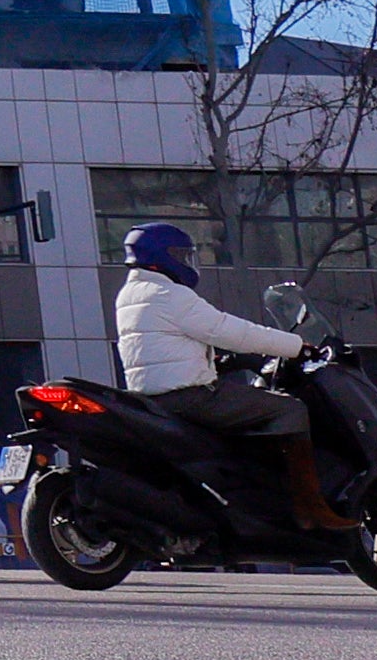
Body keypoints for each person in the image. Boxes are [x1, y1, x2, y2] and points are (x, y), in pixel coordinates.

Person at [113, 220, 338, 529]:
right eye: (181, 255)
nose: (186, 262)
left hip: (152, 399)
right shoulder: (168, 293)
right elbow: (230, 331)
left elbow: (161, 346)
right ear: (162, 254)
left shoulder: (130, 294)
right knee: (290, 409)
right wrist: (297, 347)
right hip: (191, 398)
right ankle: (308, 507)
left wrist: (215, 363)